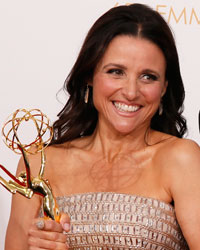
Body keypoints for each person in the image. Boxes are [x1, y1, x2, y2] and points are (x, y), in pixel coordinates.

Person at [5, 3, 200, 250]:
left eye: (148, 76)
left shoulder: (181, 159)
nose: (131, 92)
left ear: (164, 88)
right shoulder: (37, 164)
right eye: (116, 71)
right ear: (89, 75)